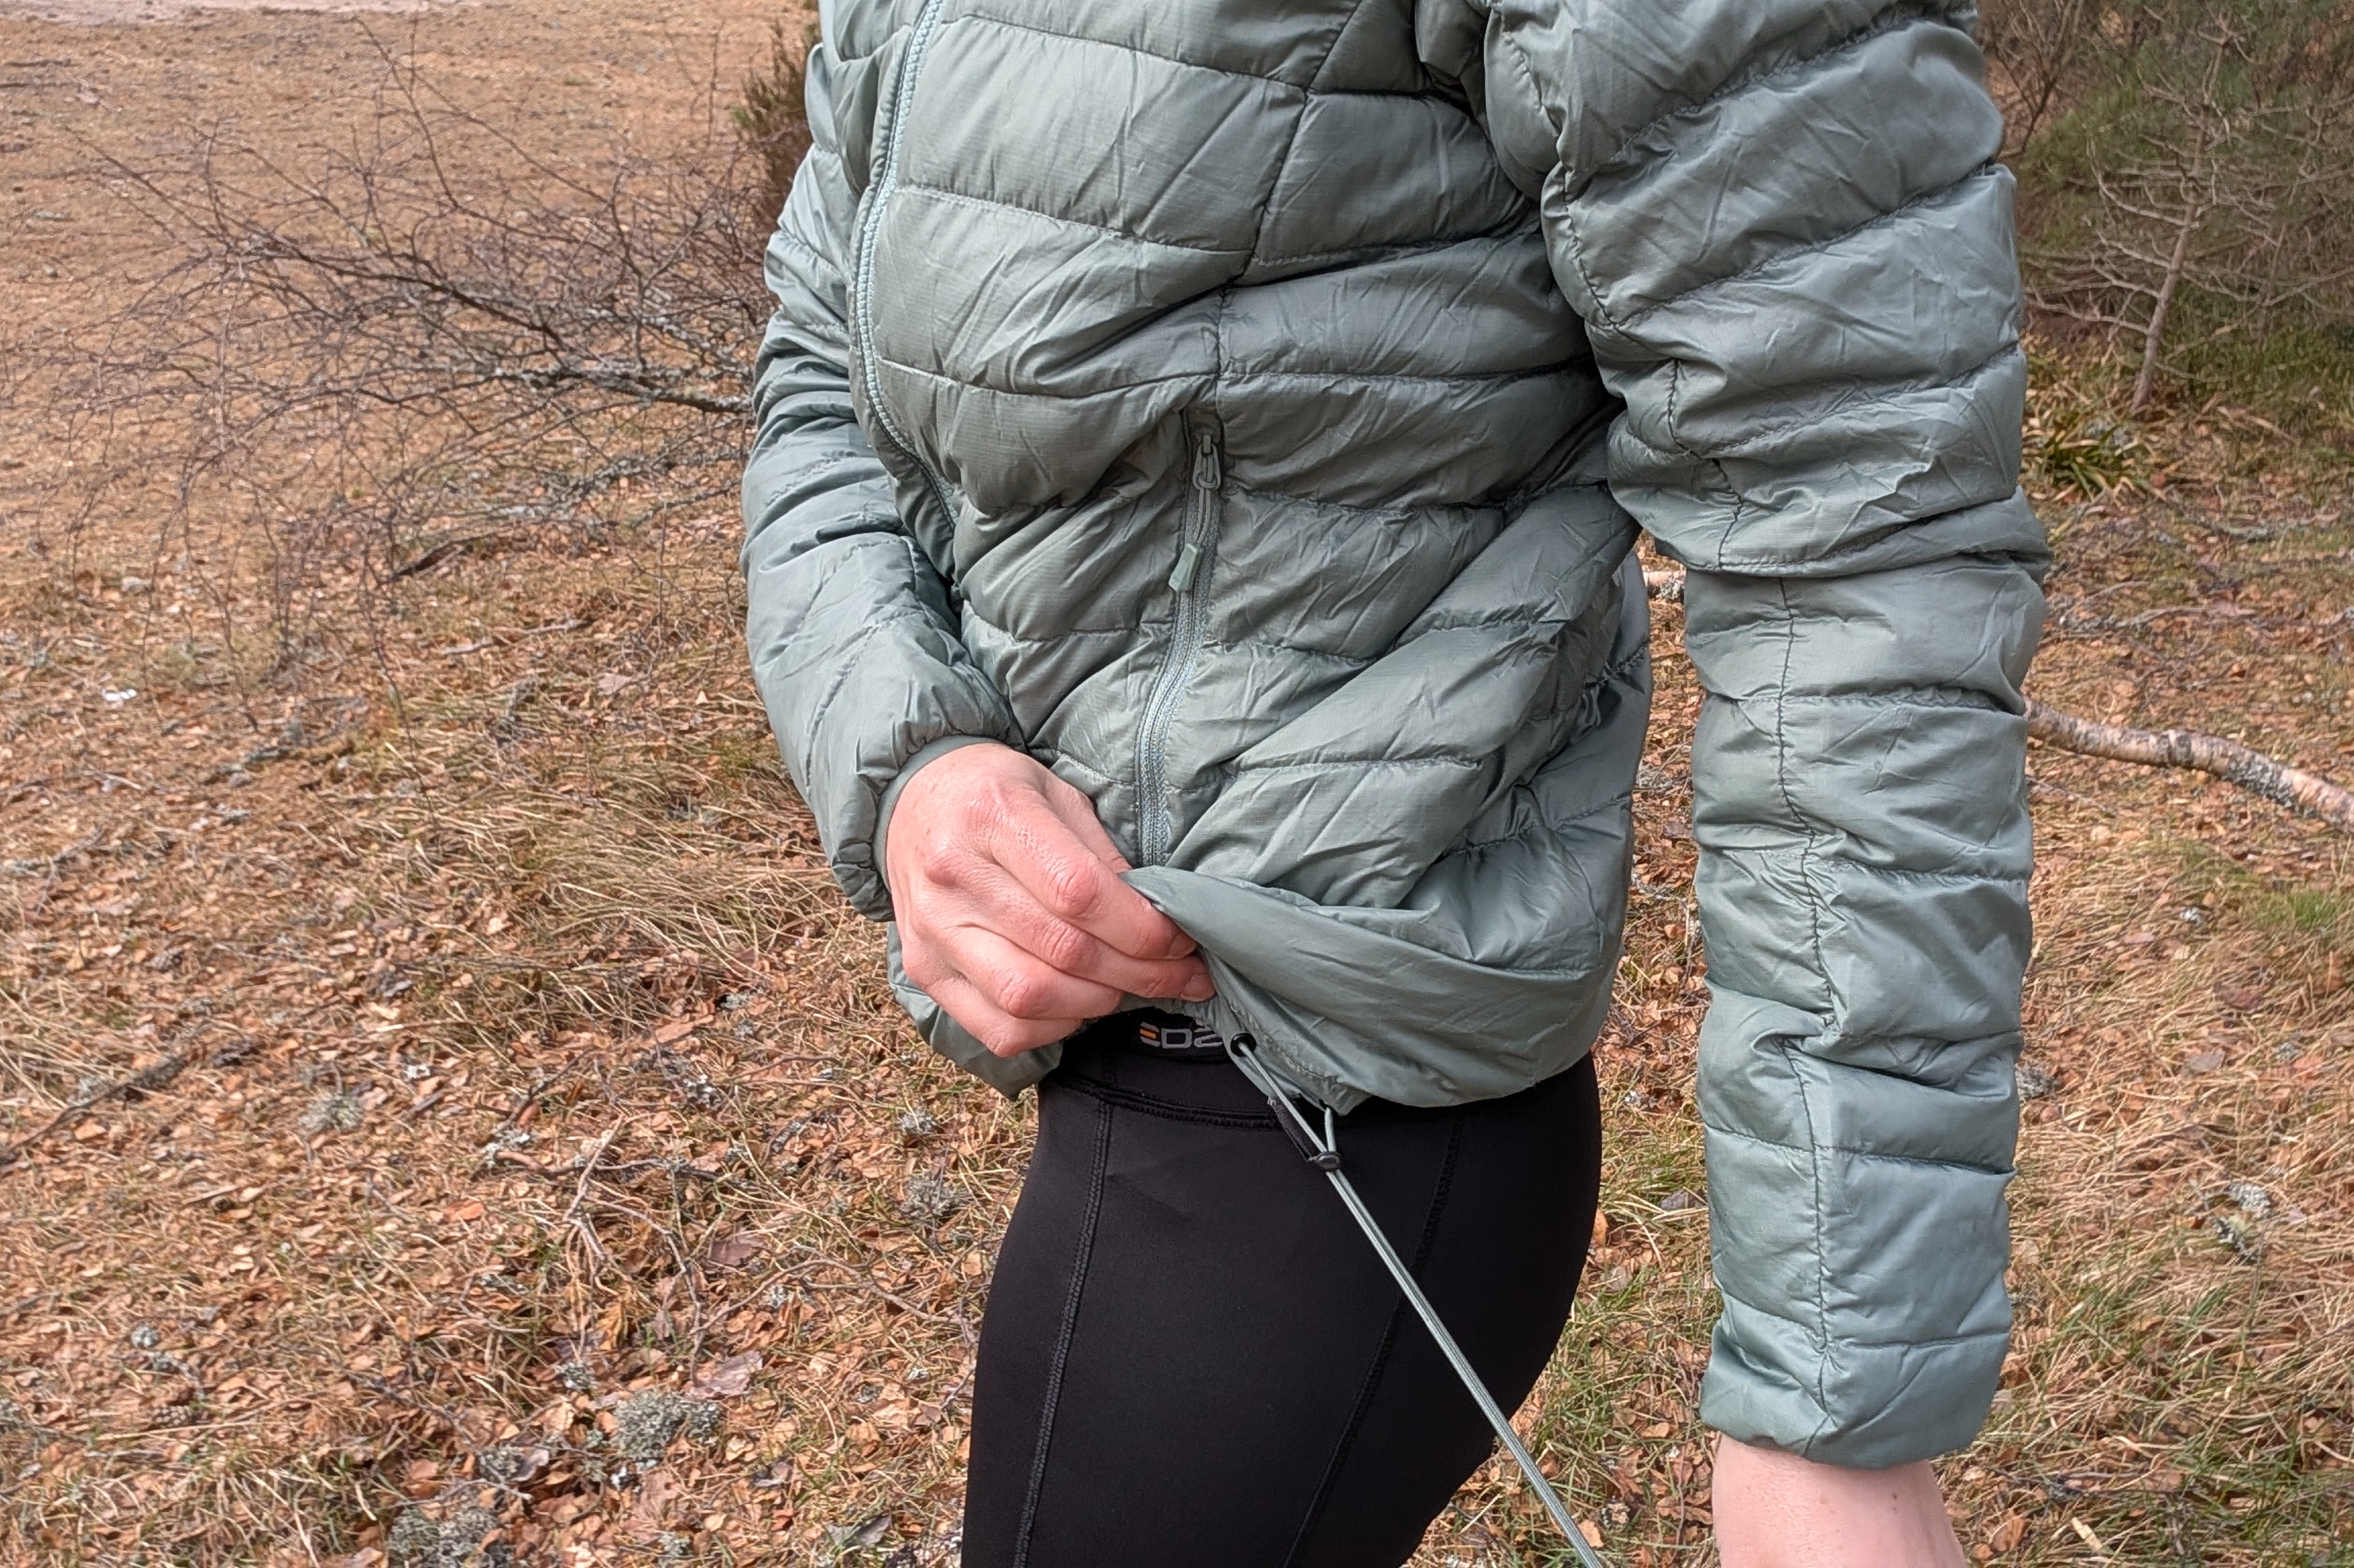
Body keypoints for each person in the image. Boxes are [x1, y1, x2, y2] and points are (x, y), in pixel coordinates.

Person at [741, 0, 2046, 1562]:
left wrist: (1837, 1415)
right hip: (1121, 1078)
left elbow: (1862, 545)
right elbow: (820, 371)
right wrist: (913, 751)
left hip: (1321, 1125)